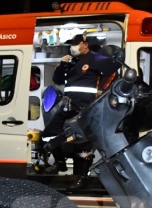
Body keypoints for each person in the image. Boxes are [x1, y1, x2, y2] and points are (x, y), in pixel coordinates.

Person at [40, 33, 120, 190]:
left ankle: (82, 177)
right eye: (71, 44)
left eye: (75, 44)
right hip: (68, 104)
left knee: (82, 143)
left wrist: (101, 91)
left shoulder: (95, 58)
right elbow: (57, 80)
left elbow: (112, 72)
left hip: (85, 107)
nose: (73, 47)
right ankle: (60, 163)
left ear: (85, 44)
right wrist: (62, 65)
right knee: (48, 135)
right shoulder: (70, 61)